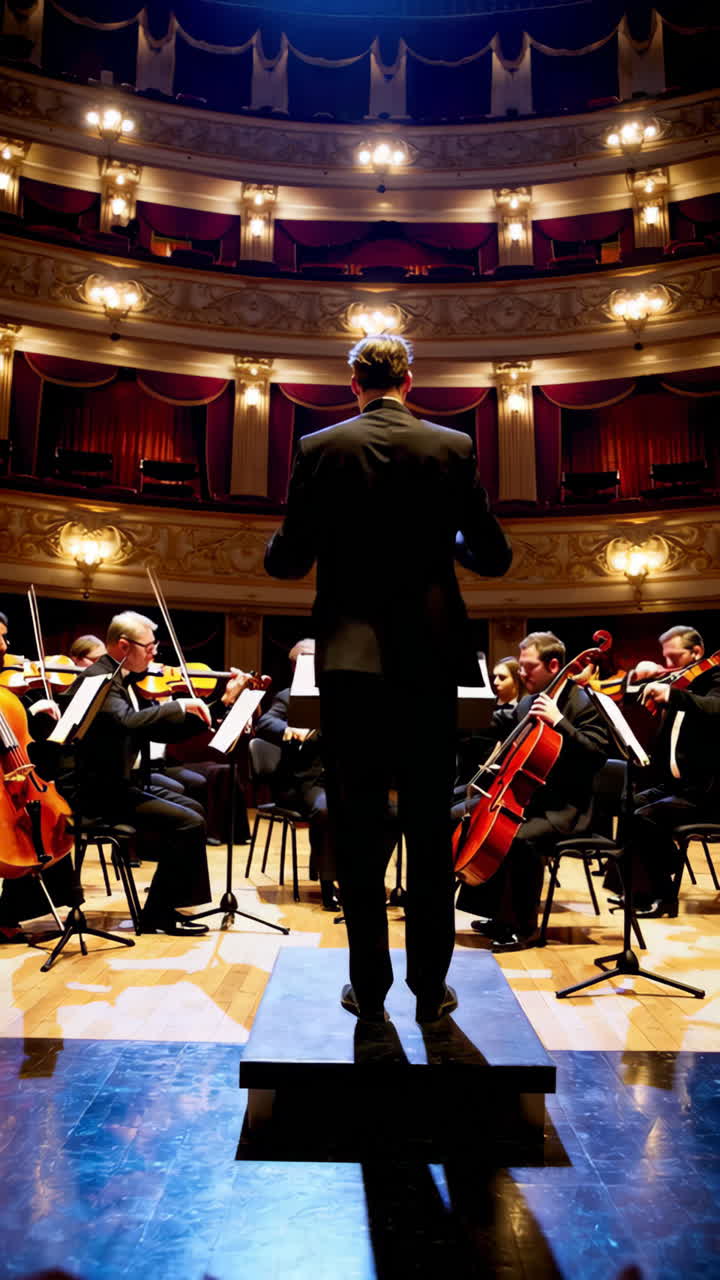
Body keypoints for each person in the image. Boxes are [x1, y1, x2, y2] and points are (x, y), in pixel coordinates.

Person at [265, 332, 512, 1022]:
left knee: (358, 824)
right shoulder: (454, 448)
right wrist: (449, 539)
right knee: (432, 826)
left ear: (354, 383)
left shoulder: (319, 449)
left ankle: (368, 989)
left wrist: (288, 541)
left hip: (348, 661)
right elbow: (493, 558)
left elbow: (287, 561)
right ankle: (430, 990)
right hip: (431, 660)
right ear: (412, 379)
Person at [54, 611, 255, 936]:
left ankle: (169, 906)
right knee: (188, 822)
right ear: (123, 645)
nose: (154, 652)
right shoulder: (98, 679)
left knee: (194, 811)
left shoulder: (120, 679)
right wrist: (177, 706)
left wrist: (219, 704)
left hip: (118, 785)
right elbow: (127, 723)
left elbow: (158, 730)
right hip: (96, 793)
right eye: (148, 646)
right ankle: (159, 915)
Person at [456, 630, 609, 951]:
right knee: (468, 817)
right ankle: (496, 913)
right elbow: (498, 720)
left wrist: (559, 723)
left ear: (554, 665)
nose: (521, 673)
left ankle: (523, 927)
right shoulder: (528, 701)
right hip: (530, 798)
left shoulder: (584, 704)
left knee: (519, 838)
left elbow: (596, 756)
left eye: (528, 667)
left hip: (567, 808)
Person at [617, 624, 720, 916]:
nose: (669, 666)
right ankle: (638, 889)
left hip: (709, 790)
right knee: (627, 805)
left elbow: (715, 707)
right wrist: (640, 680)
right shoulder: (680, 682)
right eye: (666, 658)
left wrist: (673, 695)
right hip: (679, 786)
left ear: (696, 653)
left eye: (675, 658)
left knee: (647, 818)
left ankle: (664, 897)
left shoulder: (713, 679)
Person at [254, 638, 338, 910]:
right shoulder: (289, 696)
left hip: (339, 778)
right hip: (303, 782)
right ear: (297, 668)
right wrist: (289, 730)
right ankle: (329, 887)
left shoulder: (341, 694)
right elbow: (266, 722)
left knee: (384, 808)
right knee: (326, 810)